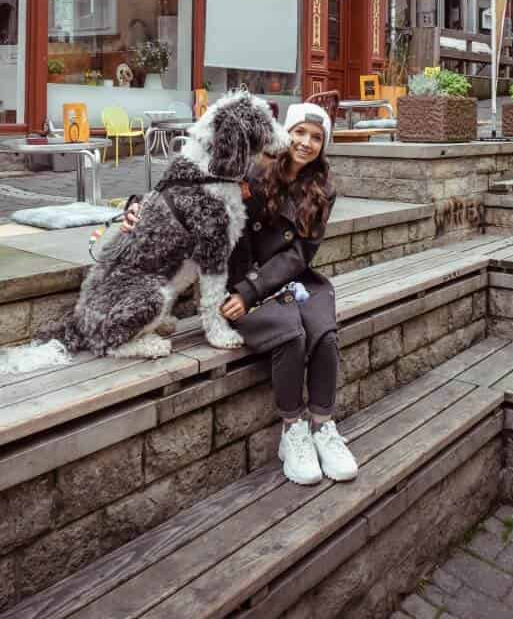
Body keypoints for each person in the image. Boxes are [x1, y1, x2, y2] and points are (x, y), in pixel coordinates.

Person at [123, 102, 357, 487]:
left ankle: (323, 426)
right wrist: (137, 205)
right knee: (290, 333)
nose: (305, 142)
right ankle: (293, 429)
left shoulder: (322, 191)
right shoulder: (250, 168)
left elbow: (299, 254)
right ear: (286, 132)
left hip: (289, 279)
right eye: (299, 132)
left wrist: (257, 288)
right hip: (239, 280)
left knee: (324, 331)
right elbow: (188, 181)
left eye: (316, 138)